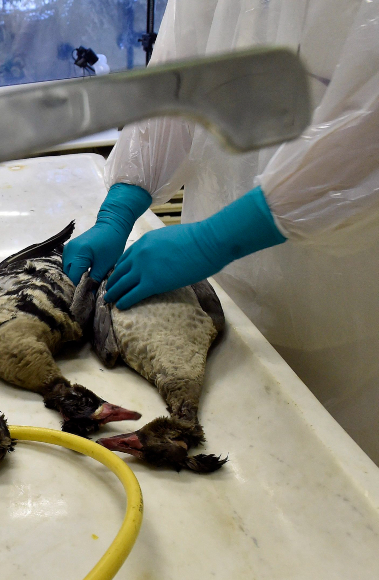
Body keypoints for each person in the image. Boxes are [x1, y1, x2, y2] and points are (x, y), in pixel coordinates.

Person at [63, 0, 379, 460]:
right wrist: (121, 207)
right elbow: (174, 84)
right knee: (224, 447)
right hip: (216, 289)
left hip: (335, 308)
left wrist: (217, 238)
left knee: (325, 463)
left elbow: (365, 139)